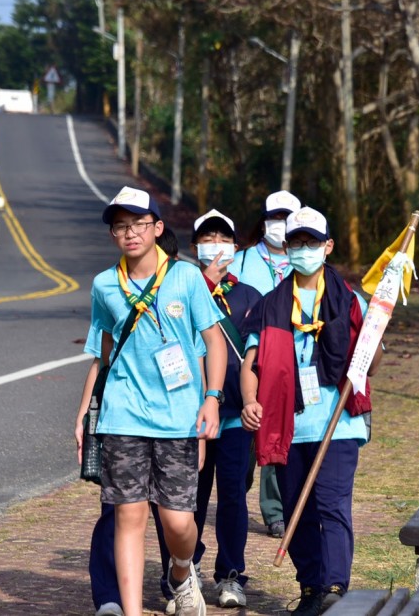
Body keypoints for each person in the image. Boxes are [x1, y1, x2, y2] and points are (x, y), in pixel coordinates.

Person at [75, 186, 227, 616]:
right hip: (123, 416)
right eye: (120, 226)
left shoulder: (186, 277)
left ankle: (181, 571)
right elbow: (103, 356)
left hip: (179, 419)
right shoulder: (105, 284)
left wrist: (212, 399)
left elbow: (213, 342)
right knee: (128, 517)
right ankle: (132, 610)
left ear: (157, 228)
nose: (129, 233)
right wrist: (86, 412)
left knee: (178, 522)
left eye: (138, 224)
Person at [239, 207, 383, 616]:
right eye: (297, 243)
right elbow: (251, 363)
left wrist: (374, 332)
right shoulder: (270, 305)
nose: (304, 250)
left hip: (338, 423)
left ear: (328, 246)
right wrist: (250, 401)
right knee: (294, 511)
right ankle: (311, 588)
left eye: (312, 243)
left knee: (331, 503)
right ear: (287, 247)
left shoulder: (350, 301)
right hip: (289, 425)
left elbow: (370, 366)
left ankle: (336, 586)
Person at [183, 208, 263, 610]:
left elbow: (258, 356)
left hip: (233, 417)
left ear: (235, 246)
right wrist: (202, 285)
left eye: (222, 238)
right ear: (195, 246)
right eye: (207, 239)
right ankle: (186, 568)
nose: (215, 245)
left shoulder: (249, 296)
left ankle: (231, 575)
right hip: (189, 416)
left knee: (233, 495)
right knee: (190, 497)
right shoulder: (180, 290)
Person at [228, 189, 301, 539]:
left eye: (288, 220)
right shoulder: (240, 262)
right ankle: (235, 497)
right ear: (264, 221)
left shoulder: (306, 263)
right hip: (243, 356)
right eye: (275, 219)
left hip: (283, 359)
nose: (281, 226)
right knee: (243, 438)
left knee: (276, 432)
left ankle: (275, 511)